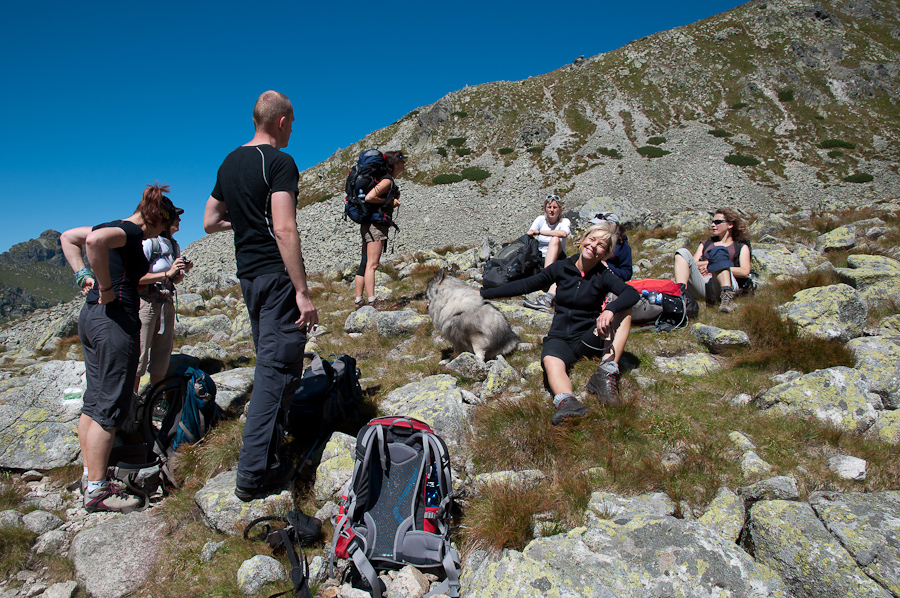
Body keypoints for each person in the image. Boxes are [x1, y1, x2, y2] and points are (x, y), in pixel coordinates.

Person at [203, 90, 318, 502]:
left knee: (271, 361)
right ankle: (253, 474)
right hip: (276, 277)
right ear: (282, 121)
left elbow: (209, 220)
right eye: (292, 123)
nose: (292, 131)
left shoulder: (229, 162)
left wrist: (248, 221)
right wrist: (302, 292)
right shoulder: (280, 162)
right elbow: (286, 229)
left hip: (249, 277)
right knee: (277, 372)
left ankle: (269, 451)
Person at [60, 184, 177, 512]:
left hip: (91, 318)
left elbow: (69, 237)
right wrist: (107, 288)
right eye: (164, 226)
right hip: (114, 321)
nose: (162, 233)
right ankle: (98, 491)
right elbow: (94, 243)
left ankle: (90, 476)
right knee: (110, 406)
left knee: (94, 401)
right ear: (156, 218)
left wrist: (83, 275)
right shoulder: (129, 231)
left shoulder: (109, 225)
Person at [481, 222, 639, 425]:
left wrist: (610, 309)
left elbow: (631, 293)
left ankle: (606, 372)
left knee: (625, 308)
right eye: (591, 239)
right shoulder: (561, 268)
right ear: (581, 241)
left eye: (601, 245)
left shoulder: (604, 275)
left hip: (588, 337)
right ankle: (569, 403)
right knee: (550, 361)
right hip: (560, 337)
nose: (594, 246)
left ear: (605, 253)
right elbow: (523, 285)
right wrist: (482, 294)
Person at [133, 209, 193, 393]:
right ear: (165, 221)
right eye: (176, 217)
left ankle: (156, 399)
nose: (180, 219)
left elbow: (174, 280)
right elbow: (135, 278)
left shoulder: (173, 245)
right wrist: (167, 273)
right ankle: (132, 401)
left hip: (166, 305)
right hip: (146, 304)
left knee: (162, 355)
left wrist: (182, 271)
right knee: (139, 355)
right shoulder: (148, 243)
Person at [353, 151, 406, 309]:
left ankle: (358, 300)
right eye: (402, 161)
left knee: (365, 263)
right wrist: (390, 202)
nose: (404, 164)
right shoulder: (387, 180)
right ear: (396, 164)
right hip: (376, 226)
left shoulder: (384, 178)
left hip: (367, 224)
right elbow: (369, 197)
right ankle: (372, 300)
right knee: (372, 264)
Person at [673, 208, 752, 313]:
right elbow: (693, 262)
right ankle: (682, 297)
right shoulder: (705, 244)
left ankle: (727, 300)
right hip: (703, 285)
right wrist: (710, 264)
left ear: (730, 225)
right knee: (681, 252)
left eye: (718, 222)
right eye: (712, 222)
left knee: (718, 251)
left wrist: (717, 266)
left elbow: (745, 272)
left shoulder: (741, 247)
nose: (713, 225)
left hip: (724, 284)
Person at [523, 194, 571, 311]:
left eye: (555, 207)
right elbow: (530, 232)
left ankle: (547, 276)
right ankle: (547, 282)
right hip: (540, 258)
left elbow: (563, 233)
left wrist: (540, 232)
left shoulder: (564, 221)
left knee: (555, 239)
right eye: (549, 207)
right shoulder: (540, 219)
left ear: (560, 209)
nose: (552, 210)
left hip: (558, 257)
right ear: (545, 208)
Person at [591, 212, 632, 281]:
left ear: (612, 226)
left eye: (600, 226)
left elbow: (626, 274)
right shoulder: (592, 243)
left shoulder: (622, 247)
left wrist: (607, 266)